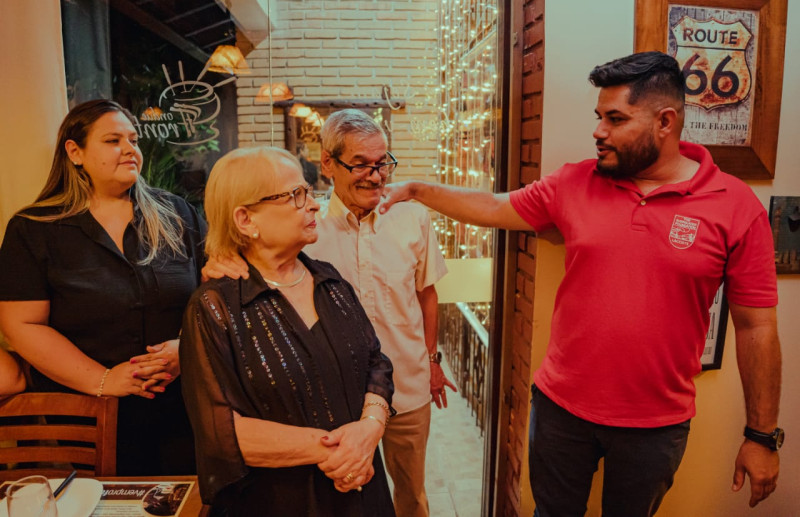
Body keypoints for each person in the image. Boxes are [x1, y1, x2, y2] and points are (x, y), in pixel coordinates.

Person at [380, 52, 781, 515]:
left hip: (656, 425)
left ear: (665, 122)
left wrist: (761, 436)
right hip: (560, 411)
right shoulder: (575, 182)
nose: (598, 131)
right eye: (599, 116)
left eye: (616, 119)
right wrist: (417, 190)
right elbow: (494, 206)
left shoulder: (736, 205)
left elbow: (756, 326)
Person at [203, 110, 454, 517]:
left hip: (407, 387)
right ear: (328, 164)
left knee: (411, 496)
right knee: (347, 496)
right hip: (338, 402)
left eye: (383, 163)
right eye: (361, 164)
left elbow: (427, 295)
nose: (375, 176)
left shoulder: (413, 219)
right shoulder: (306, 229)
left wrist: (432, 360)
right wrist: (221, 261)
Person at [180, 146, 396, 516]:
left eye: (308, 192)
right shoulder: (215, 307)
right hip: (280, 500)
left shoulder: (330, 281)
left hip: (362, 489)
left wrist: (369, 429)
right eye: (295, 195)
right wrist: (341, 449)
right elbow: (220, 432)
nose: (312, 204)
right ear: (245, 219)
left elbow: (377, 364)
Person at [0, 99, 205, 475]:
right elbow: (23, 325)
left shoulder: (178, 214)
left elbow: (214, 298)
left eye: (133, 140)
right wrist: (103, 379)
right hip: (88, 416)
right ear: (74, 152)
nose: (129, 149)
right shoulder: (34, 228)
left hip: (184, 406)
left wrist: (186, 348)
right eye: (113, 140)